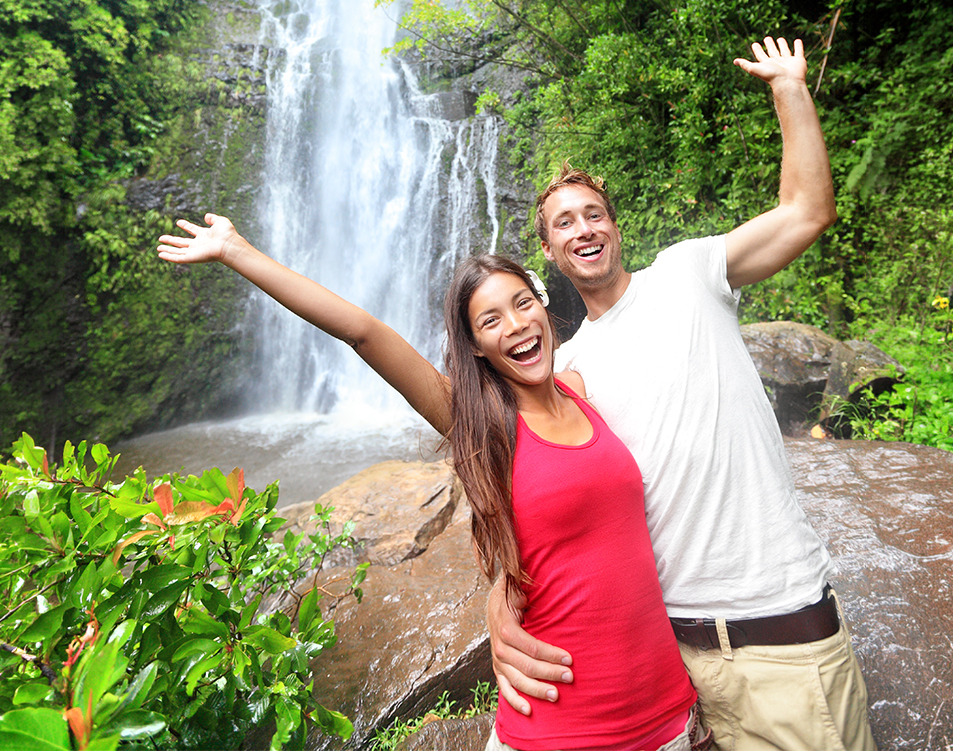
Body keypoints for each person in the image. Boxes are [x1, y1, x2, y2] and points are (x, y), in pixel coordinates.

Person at [155, 226, 701, 750]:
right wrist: (236, 251)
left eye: (522, 303)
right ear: (477, 348)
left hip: (666, 715)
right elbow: (363, 331)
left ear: (543, 304)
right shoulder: (482, 424)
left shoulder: (583, 391)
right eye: (490, 320)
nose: (514, 324)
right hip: (562, 724)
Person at [489, 37, 876, 751]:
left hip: (779, 635)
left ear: (614, 225)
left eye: (593, 212)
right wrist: (497, 601)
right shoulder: (566, 371)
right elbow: (536, 500)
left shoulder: (689, 273)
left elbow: (806, 211)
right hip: (673, 665)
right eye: (564, 222)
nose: (584, 227)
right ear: (549, 251)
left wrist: (790, 87)